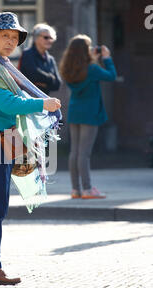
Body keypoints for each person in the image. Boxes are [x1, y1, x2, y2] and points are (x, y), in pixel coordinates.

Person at [0, 12, 61, 285]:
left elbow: (14, 98)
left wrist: (37, 102)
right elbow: (8, 104)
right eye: (5, 36)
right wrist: (42, 104)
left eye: (15, 37)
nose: (11, 41)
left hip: (1, 136)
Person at [59, 34, 117, 199]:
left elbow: (84, 72)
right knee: (84, 153)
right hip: (90, 113)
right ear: (85, 51)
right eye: (89, 47)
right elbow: (111, 75)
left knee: (74, 152)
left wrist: (93, 58)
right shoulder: (91, 69)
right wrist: (107, 58)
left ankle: (75, 189)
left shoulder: (68, 69)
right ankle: (88, 189)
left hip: (74, 111)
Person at [18, 23, 61, 95]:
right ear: (36, 38)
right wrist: (51, 78)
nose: (49, 40)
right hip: (29, 99)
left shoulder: (51, 59)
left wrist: (42, 81)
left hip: (45, 101)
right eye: (46, 37)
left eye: (51, 38)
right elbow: (33, 74)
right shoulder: (27, 54)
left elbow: (58, 84)